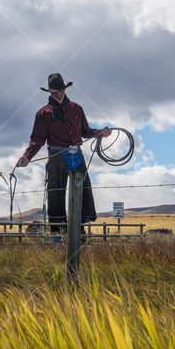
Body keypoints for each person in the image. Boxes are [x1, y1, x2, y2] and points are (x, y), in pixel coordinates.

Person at [16, 73, 111, 234]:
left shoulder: (76, 109)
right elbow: (37, 139)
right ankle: (59, 234)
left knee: (83, 189)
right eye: (54, 92)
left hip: (76, 154)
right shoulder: (43, 113)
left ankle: (79, 230)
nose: (57, 94)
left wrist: (100, 132)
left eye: (60, 90)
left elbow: (85, 131)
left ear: (64, 89)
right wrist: (27, 156)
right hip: (56, 156)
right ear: (49, 92)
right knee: (56, 195)